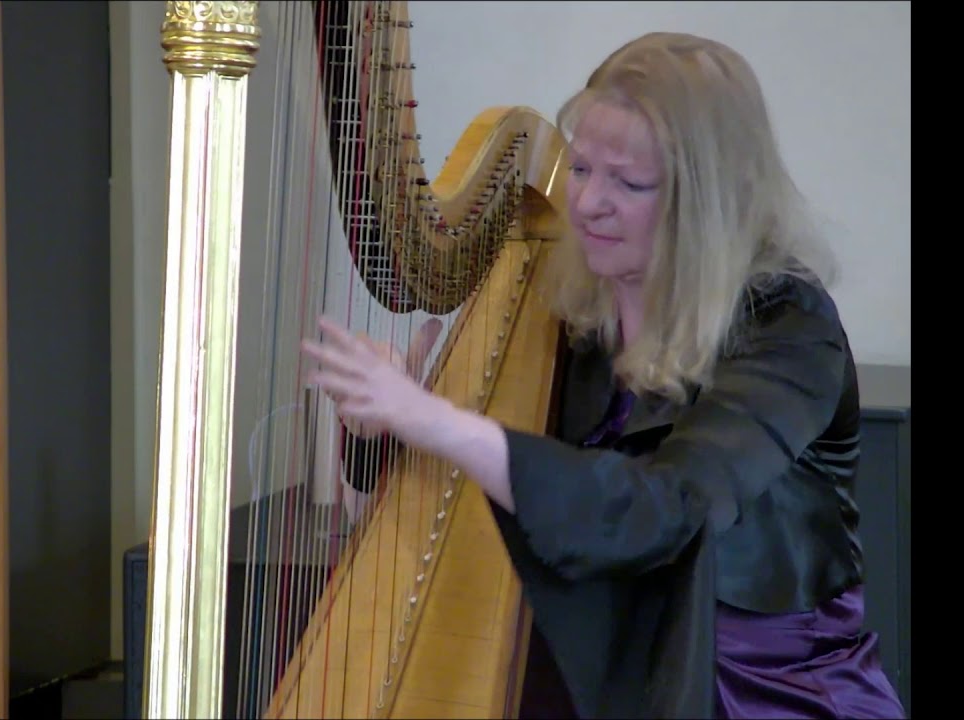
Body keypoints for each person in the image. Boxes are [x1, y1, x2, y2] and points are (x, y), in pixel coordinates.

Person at [301, 31, 905, 720]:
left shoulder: (787, 328)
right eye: (582, 169)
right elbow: (472, 504)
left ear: (705, 198)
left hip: (759, 692)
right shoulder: (571, 308)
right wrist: (380, 428)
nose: (587, 204)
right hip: (604, 671)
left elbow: (668, 510)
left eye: (628, 182)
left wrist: (435, 419)